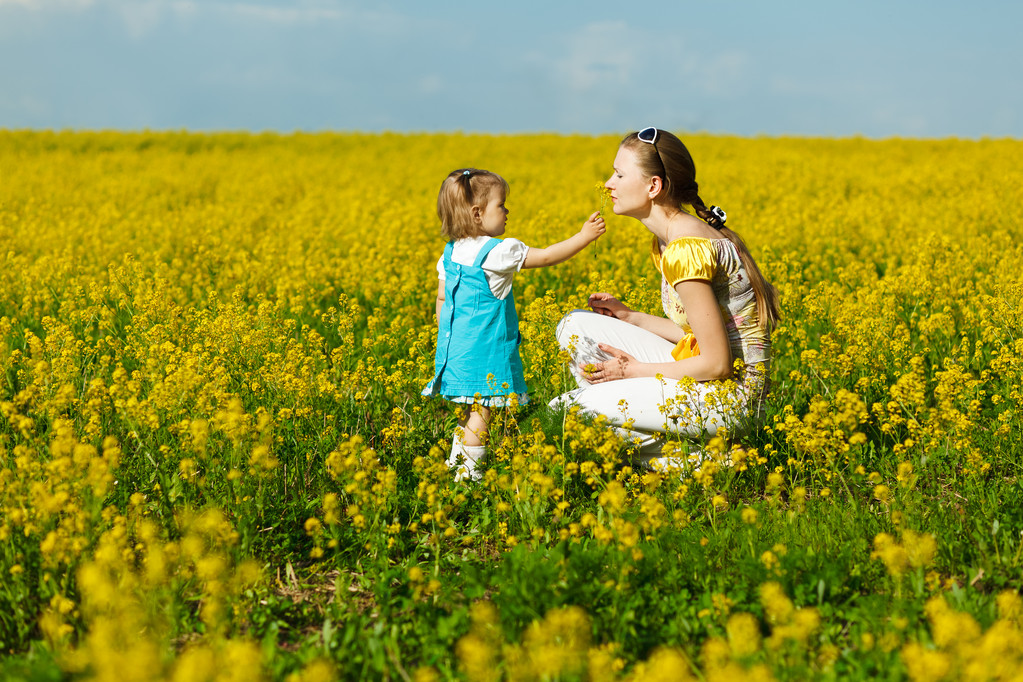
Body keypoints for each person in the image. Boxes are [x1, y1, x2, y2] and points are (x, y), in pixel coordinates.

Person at [550, 128, 780, 468]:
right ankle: (671, 442)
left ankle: (702, 461)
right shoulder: (668, 241)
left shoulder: (686, 248)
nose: (608, 184)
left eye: (619, 174)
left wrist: (632, 371)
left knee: (570, 413)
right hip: (711, 379)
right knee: (575, 325)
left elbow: (717, 363)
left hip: (733, 398)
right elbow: (698, 337)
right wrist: (630, 317)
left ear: (653, 187)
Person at [424, 168, 606, 481]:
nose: (507, 211)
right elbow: (547, 256)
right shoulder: (498, 251)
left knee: (472, 412)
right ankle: (468, 479)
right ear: (478, 214)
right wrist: (584, 236)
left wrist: (449, 341)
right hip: (486, 352)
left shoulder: (450, 252)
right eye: (501, 205)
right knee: (482, 413)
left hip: (455, 350)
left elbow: (442, 299)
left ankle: (456, 465)